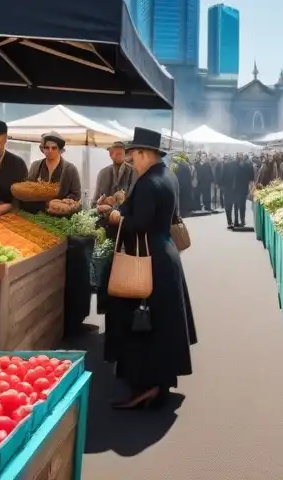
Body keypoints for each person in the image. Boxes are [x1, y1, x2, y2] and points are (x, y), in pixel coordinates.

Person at [103, 128, 197, 409]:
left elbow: (139, 223)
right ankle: (158, 382)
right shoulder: (167, 176)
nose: (132, 161)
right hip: (163, 255)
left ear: (145, 153)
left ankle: (144, 385)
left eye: (133, 156)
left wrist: (116, 216)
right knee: (162, 323)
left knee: (143, 323)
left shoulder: (147, 183)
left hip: (147, 259)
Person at [24, 133, 82, 214]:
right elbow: (28, 188)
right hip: (37, 212)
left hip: (60, 214)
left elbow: (76, 194)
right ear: (42, 149)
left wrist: (63, 201)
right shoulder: (36, 166)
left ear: (60, 150)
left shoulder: (70, 169)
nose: (50, 150)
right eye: (47, 147)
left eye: (54, 148)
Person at [93, 142, 135, 206]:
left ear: (124, 153)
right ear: (110, 154)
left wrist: (123, 197)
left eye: (121, 153)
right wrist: (103, 201)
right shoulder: (103, 173)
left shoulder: (133, 172)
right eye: (117, 153)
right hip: (104, 213)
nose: (119, 155)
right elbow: (95, 202)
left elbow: (137, 199)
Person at [232, 150, 255, 228]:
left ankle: (240, 220)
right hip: (238, 188)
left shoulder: (244, 165)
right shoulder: (236, 164)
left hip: (240, 187)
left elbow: (251, 177)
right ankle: (238, 220)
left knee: (239, 205)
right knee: (238, 205)